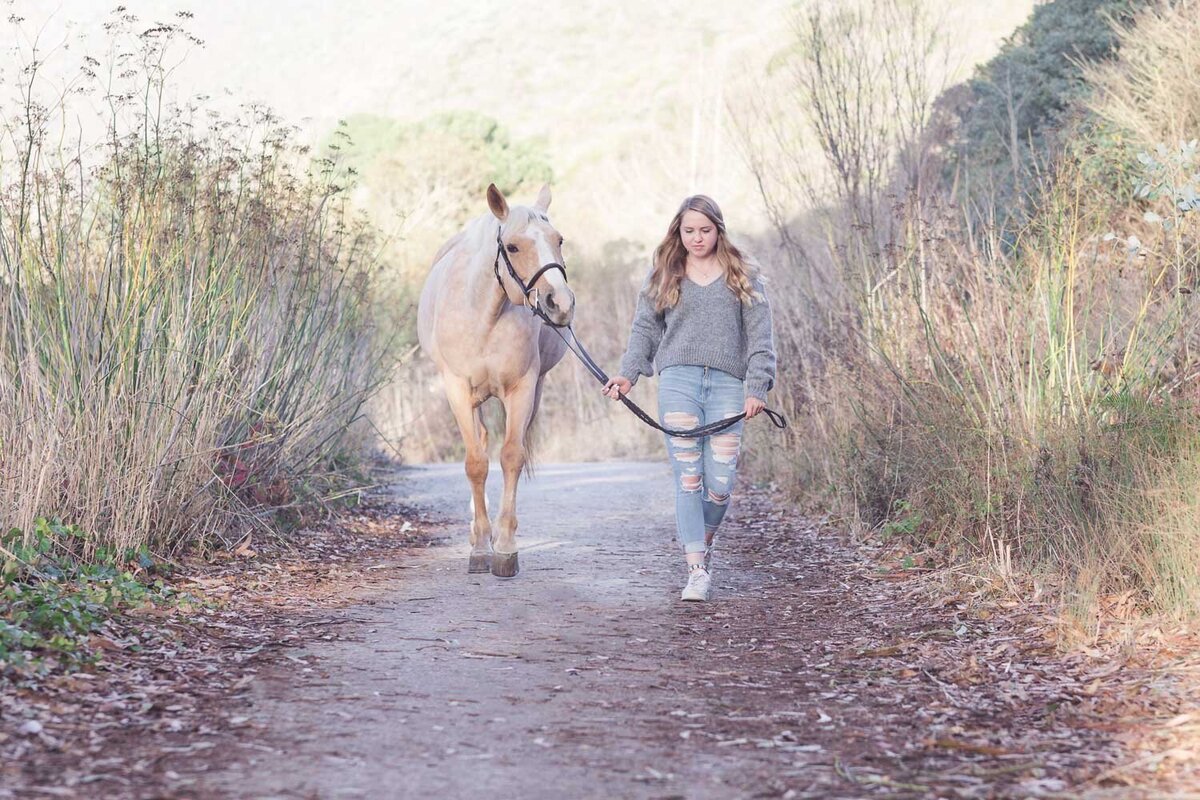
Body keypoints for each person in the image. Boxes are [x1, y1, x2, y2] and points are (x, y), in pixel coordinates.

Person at [603, 195, 776, 602]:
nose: (697, 238)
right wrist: (628, 375)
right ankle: (696, 569)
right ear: (678, 233)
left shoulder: (744, 274)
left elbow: (760, 339)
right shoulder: (666, 274)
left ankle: (703, 541)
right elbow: (644, 330)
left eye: (705, 230)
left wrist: (757, 387)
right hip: (678, 383)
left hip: (728, 387)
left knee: (720, 483)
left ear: (718, 230)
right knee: (689, 478)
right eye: (689, 231)